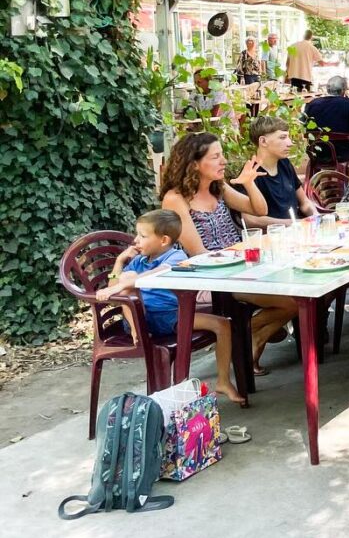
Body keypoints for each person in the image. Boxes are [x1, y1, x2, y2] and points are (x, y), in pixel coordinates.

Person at [159, 133, 296, 375]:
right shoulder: (176, 199)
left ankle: (249, 336)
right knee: (291, 301)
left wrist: (249, 183)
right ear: (194, 164)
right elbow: (199, 253)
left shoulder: (218, 188)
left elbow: (259, 209)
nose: (223, 161)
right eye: (215, 156)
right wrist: (240, 260)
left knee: (297, 295)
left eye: (221, 155)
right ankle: (244, 335)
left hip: (238, 268)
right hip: (209, 278)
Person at [98, 209, 245, 405]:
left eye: (143, 236)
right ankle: (137, 332)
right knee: (128, 277)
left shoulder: (176, 256)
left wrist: (124, 283)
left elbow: (158, 273)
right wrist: (119, 261)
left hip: (169, 315)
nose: (136, 240)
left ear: (164, 240)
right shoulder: (138, 261)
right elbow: (113, 291)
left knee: (223, 324)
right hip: (141, 317)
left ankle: (223, 381)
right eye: (137, 234)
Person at [239, 115, 317, 226]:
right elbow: (249, 219)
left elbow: (304, 202)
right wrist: (292, 224)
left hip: (297, 230)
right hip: (271, 234)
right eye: (282, 137)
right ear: (263, 141)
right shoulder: (249, 172)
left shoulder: (285, 163)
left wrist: (316, 216)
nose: (290, 143)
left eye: (288, 137)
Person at [306, 75, 349, 163]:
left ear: (327, 89)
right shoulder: (348, 103)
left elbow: (303, 127)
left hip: (316, 153)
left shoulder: (312, 104)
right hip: (341, 154)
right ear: (343, 90)